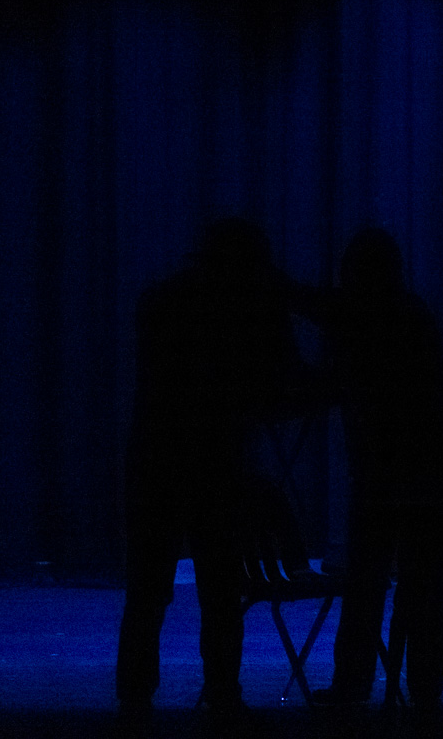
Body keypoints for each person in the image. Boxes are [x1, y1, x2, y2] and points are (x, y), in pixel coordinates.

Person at [116, 218, 309, 734]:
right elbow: (280, 383)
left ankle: (135, 698)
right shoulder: (248, 309)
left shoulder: (162, 300)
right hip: (216, 463)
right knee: (220, 588)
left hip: (157, 458)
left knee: (148, 589)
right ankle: (223, 694)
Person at [285, 228, 443, 709]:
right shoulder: (408, 314)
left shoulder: (365, 315)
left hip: (389, 470)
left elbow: (316, 312)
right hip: (432, 465)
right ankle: (423, 688)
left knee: (368, 580)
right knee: (420, 581)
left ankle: (355, 686)